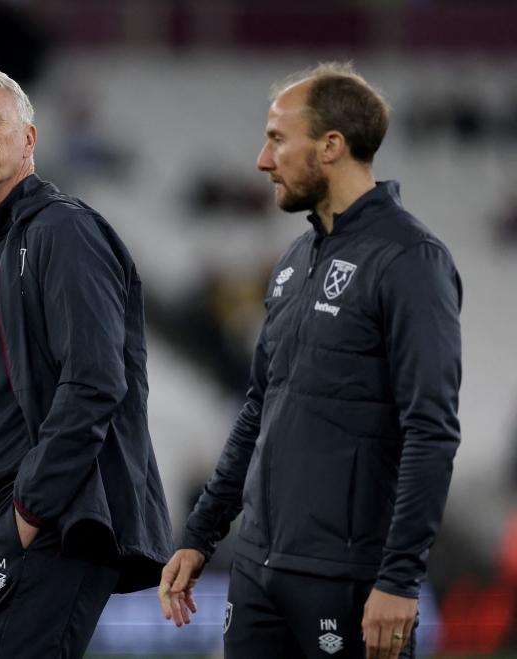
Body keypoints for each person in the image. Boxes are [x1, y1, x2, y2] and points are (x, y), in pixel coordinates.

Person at [158, 62, 462, 659]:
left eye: (276, 138)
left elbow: (432, 430)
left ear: (330, 146)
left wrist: (398, 578)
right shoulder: (295, 260)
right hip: (258, 569)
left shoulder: (411, 261)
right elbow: (257, 410)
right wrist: (200, 535)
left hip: (349, 578)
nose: (261, 160)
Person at [0, 64, 173, 659]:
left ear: (29, 139)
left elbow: (94, 383)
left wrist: (25, 516)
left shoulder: (65, 231)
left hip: (47, 528)